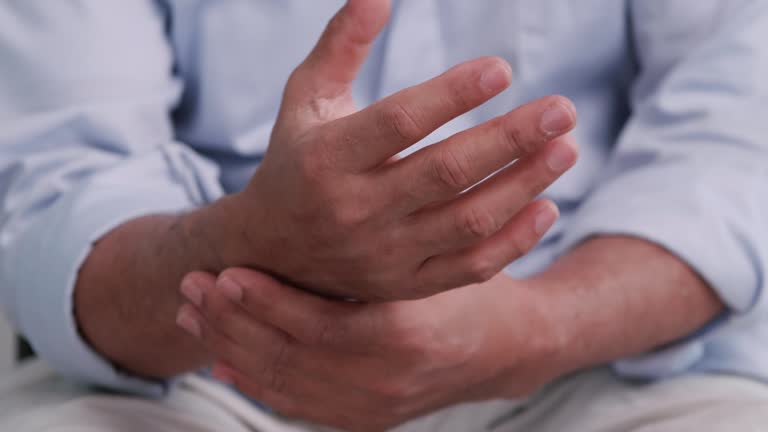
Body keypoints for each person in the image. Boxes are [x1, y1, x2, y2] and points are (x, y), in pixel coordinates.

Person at [0, 0, 767, 430]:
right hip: (204, 377)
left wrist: (529, 332)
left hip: (597, 364)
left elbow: (735, 150)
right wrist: (258, 242)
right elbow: (58, 198)